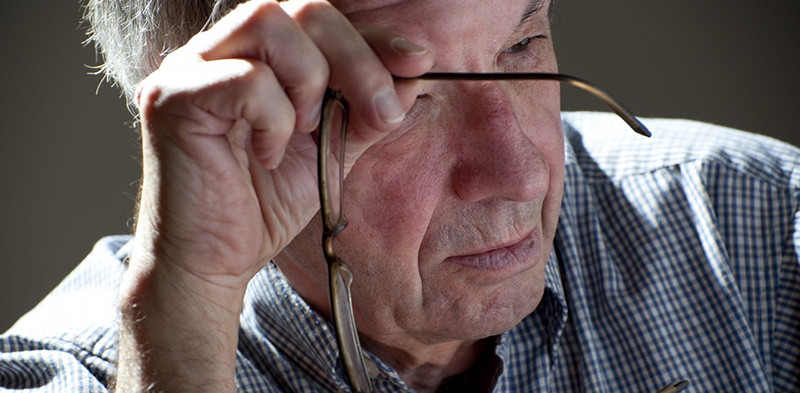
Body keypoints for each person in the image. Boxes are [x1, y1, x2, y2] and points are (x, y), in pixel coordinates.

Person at [1, 0, 798, 392]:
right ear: (229, 117)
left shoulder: (755, 227)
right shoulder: (81, 368)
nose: (520, 172)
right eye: (403, 95)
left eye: (521, 43)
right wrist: (185, 313)